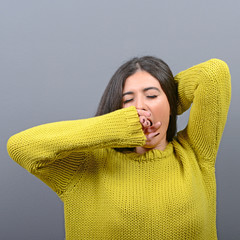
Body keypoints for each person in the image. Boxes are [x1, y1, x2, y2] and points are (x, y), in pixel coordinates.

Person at [7, 56, 231, 239]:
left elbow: (213, 73)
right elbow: (21, 146)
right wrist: (119, 126)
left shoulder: (196, 153)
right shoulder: (86, 166)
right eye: (127, 101)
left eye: (152, 95)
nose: (141, 107)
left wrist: (171, 98)